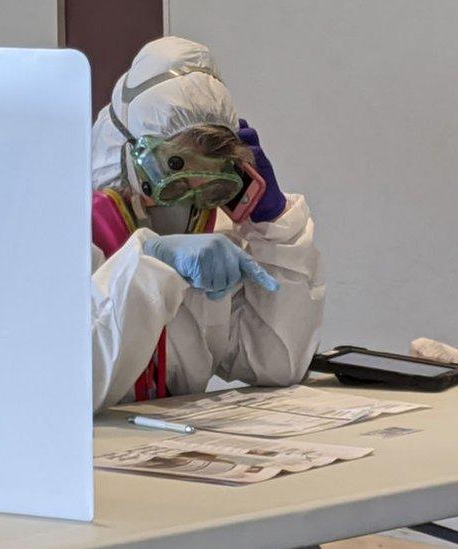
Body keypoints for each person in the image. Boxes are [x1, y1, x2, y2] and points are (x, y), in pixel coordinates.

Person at [90, 36, 325, 412]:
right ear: (129, 154)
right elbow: (76, 382)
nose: (189, 197)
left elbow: (276, 364)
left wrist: (274, 224)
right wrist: (147, 264)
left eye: (211, 181)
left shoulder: (209, 234)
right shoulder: (69, 234)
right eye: (175, 171)